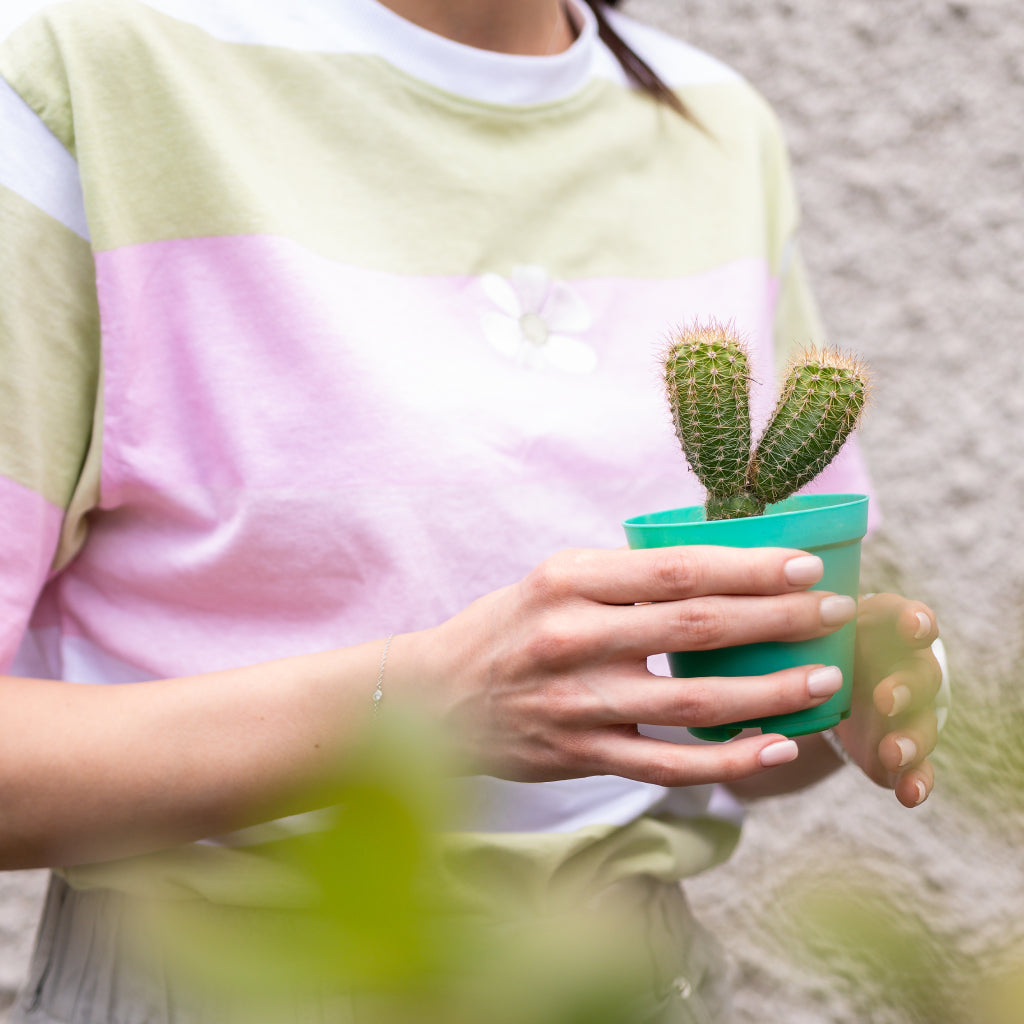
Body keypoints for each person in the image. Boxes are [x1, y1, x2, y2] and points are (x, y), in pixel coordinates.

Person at [0, 0, 944, 1020]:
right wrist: (421, 704)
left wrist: (825, 686)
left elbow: (727, 726)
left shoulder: (717, 125)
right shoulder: (83, 65)